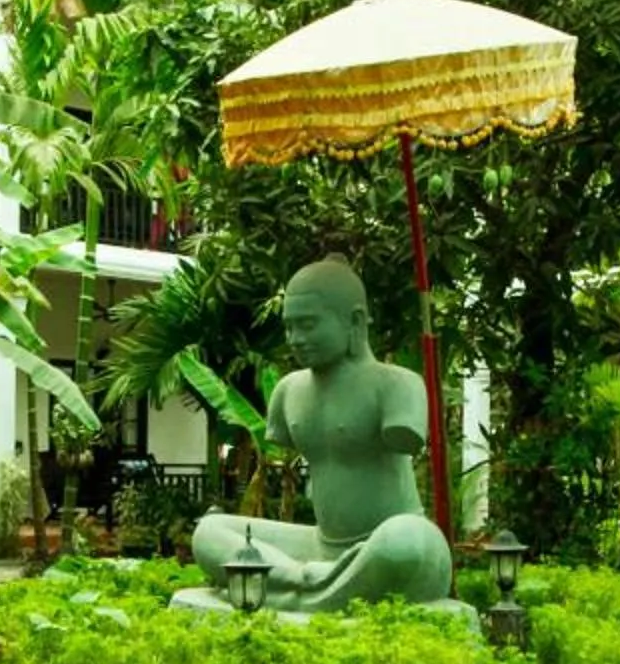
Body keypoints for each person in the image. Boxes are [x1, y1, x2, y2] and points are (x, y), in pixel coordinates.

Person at [186, 257, 457, 614]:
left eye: (308, 325)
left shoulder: (396, 385)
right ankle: (303, 583)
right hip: (318, 550)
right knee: (209, 531)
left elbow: (409, 444)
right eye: (290, 327)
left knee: (407, 542)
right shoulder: (288, 391)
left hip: (381, 546)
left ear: (355, 321)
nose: (295, 339)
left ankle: (278, 591)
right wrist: (307, 568)